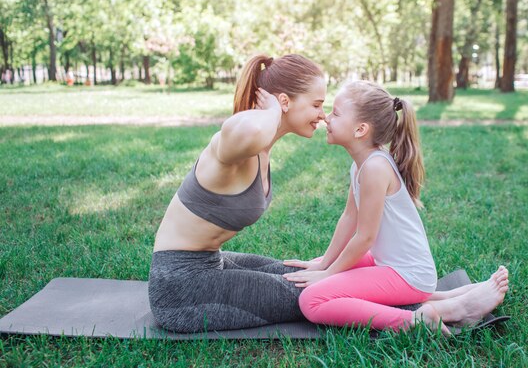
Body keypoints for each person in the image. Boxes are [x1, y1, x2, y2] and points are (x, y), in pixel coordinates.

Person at [283, 80, 509, 334]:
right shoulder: (361, 164)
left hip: (407, 275)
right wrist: (324, 264)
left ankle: (418, 320)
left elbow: (365, 237)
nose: (326, 117)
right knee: (321, 268)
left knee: (312, 300)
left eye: (335, 113)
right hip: (391, 264)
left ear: (360, 129)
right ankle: (453, 298)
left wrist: (328, 274)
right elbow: (349, 218)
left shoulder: (374, 167)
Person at [148, 54, 328, 333]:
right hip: (180, 288)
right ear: (284, 101)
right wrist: (271, 111)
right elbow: (250, 128)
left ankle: (402, 291)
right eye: (316, 105)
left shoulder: (262, 148)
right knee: (318, 293)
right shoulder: (235, 140)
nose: (322, 115)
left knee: (308, 275)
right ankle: (414, 313)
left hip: (211, 261)